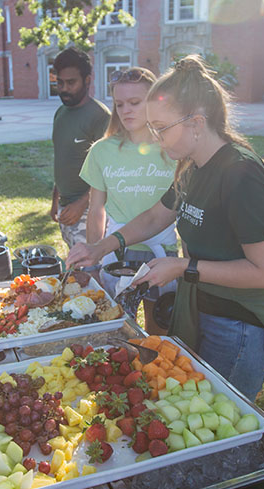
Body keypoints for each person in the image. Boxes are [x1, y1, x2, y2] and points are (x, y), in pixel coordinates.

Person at [67, 56, 264, 403]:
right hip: (203, 309)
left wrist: (183, 267)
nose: (156, 139)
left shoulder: (241, 174)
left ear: (196, 122)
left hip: (238, 324)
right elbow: (155, 217)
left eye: (161, 127)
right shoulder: (192, 167)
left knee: (220, 415)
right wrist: (99, 248)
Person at [79, 67, 177, 334]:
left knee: (160, 329)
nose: (126, 110)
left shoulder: (173, 149)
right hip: (117, 252)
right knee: (116, 328)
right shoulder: (102, 150)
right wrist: (93, 260)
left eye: (135, 103)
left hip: (161, 252)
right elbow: (96, 209)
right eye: (120, 104)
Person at [50, 48, 111, 249]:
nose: (64, 89)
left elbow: (108, 171)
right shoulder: (60, 113)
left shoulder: (100, 116)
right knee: (76, 268)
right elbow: (62, 158)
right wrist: (55, 200)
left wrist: (82, 203)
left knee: (89, 270)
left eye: (71, 82)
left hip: (89, 209)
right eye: (60, 82)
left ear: (87, 80)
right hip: (66, 207)